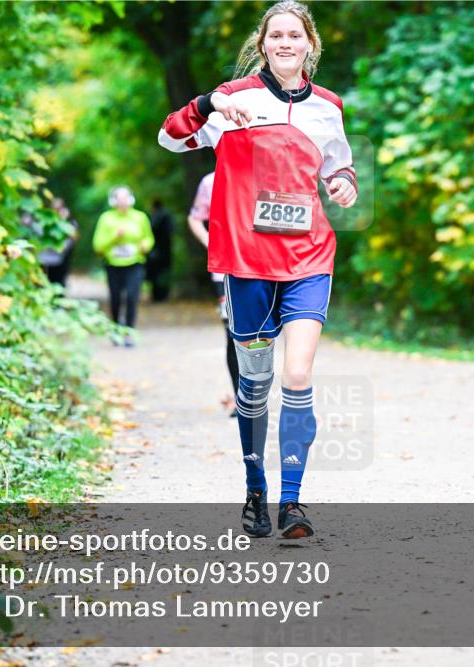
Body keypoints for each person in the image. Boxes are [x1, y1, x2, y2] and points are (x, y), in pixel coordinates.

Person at [158, 0, 357, 539]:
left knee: (297, 375)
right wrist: (205, 105)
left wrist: (343, 185)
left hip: (308, 256)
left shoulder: (328, 108)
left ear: (310, 45)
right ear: (263, 43)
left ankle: (293, 503)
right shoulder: (232, 100)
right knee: (255, 381)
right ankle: (255, 488)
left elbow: (340, 168)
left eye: (296, 35)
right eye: (276, 36)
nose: (286, 43)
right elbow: (170, 138)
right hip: (246, 262)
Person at [188, 171, 240, 418]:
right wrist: (209, 240)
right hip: (225, 271)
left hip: (263, 269)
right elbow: (195, 217)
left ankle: (255, 395)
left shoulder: (264, 172)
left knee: (262, 335)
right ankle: (242, 398)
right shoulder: (209, 181)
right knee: (232, 333)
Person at [92, 186, 154, 346]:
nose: (123, 202)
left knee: (133, 297)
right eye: (119, 199)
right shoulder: (106, 218)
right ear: (113, 201)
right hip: (114, 265)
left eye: (126, 198)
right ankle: (116, 329)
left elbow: (149, 238)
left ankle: (129, 332)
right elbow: (98, 245)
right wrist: (114, 237)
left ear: (131, 200)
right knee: (116, 299)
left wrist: (145, 246)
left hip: (135, 264)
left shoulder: (140, 217)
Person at [39, 197, 78, 287]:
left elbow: (72, 240)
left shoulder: (70, 222)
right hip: (43, 260)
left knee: (58, 285)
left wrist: (64, 222)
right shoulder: (44, 220)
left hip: (59, 261)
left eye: (59, 208)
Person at [146, 199, 174, 302]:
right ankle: (163, 295)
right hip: (166, 250)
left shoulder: (153, 217)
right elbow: (171, 231)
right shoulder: (167, 216)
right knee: (164, 272)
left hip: (155, 250)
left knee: (155, 274)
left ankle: (156, 295)